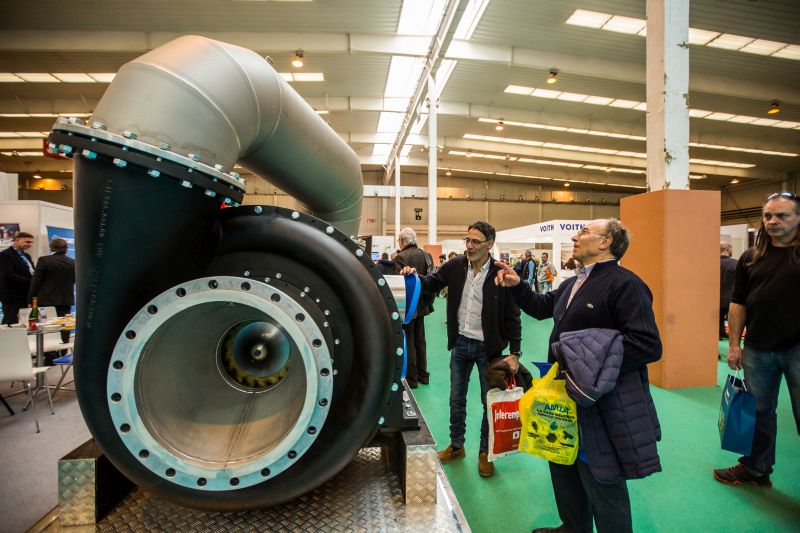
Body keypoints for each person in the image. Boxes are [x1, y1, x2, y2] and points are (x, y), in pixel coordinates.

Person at [495, 218, 663, 533]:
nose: (575, 237)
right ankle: (573, 527)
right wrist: (517, 285)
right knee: (563, 460)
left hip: (599, 402)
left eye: (584, 231)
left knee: (601, 476)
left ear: (606, 242)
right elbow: (541, 307)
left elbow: (647, 344)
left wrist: (590, 368)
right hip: (564, 395)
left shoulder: (626, 284)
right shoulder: (573, 282)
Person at [400, 221, 521, 478]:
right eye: (467, 240)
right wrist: (413, 276)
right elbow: (432, 283)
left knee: (488, 401)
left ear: (490, 244)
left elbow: (513, 316)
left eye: (475, 241)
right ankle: (457, 446)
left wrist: (515, 352)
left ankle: (485, 453)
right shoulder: (455, 266)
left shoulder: (500, 273)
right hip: (461, 344)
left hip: (489, 350)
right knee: (456, 398)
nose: (469, 246)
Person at [714, 192, 800, 488]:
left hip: (797, 349)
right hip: (757, 350)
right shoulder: (751, 258)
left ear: (797, 219)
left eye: (782, 215)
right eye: (768, 216)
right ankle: (756, 469)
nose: (773, 221)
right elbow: (738, 303)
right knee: (760, 412)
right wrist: (734, 345)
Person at [393, 227, 433, 388]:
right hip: (423, 304)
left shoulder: (401, 257)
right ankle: (423, 375)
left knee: (408, 340)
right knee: (420, 341)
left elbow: (400, 283)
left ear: (403, 241)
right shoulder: (427, 255)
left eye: (399, 240)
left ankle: (412, 378)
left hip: (408, 305)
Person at [29, 238, 76, 342]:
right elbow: (74, 280)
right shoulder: (73, 262)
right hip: (65, 300)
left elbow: (36, 281)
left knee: (46, 325)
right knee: (64, 325)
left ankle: (48, 349)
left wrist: (31, 299)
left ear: (51, 248)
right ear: (66, 249)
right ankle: (63, 347)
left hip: (46, 300)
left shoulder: (44, 260)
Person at [0, 231, 35, 325]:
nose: (30, 245)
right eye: (27, 242)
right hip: (12, 295)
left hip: (25, 294)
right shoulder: (5, 255)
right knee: (11, 321)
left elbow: (31, 271)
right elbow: (8, 274)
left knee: (23, 322)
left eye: (31, 242)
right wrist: (31, 282)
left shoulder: (26, 256)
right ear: (17, 240)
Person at [719, 242, 737, 340]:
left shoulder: (712, 263)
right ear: (727, 250)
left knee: (718, 318)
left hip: (715, 297)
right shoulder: (735, 263)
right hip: (731, 297)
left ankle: (720, 333)